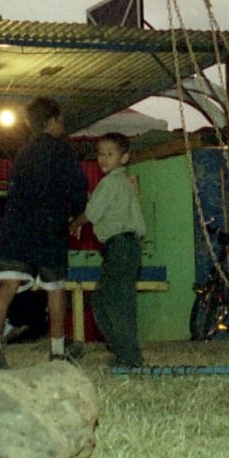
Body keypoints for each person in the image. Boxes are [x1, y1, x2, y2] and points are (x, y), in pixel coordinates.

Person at [0, 97, 89, 369]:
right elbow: (76, 187)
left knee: (8, 284)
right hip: (48, 227)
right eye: (61, 120)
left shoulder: (23, 152)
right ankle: (56, 350)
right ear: (52, 119)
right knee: (54, 288)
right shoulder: (63, 151)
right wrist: (78, 214)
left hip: (17, 227)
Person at [84, 132, 147, 369]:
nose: (103, 158)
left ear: (124, 157)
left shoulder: (110, 182)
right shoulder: (122, 181)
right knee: (109, 301)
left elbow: (91, 213)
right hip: (123, 247)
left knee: (112, 302)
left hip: (120, 246)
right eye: (100, 154)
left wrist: (75, 223)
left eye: (110, 154)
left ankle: (128, 356)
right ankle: (124, 352)